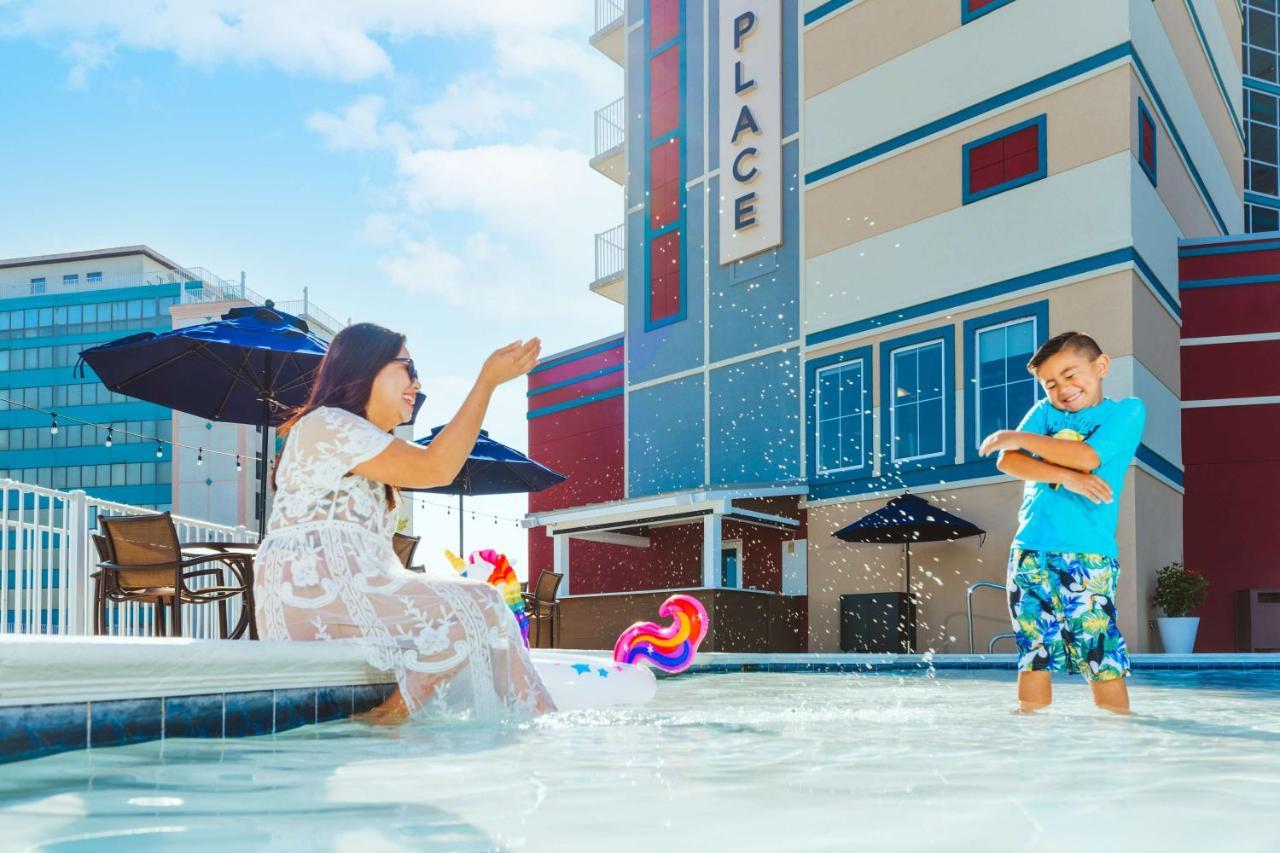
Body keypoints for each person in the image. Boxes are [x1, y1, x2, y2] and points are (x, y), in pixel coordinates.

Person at [253, 322, 555, 722]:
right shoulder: (325, 424)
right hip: (314, 595)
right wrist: (487, 382)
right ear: (364, 368)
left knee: (489, 627)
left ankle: (531, 726)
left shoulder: (365, 453)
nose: (417, 383)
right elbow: (438, 465)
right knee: (482, 604)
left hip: (339, 593)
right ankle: (396, 716)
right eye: (407, 369)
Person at [979, 331, 1146, 714]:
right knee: (1033, 650)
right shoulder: (1044, 412)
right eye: (1051, 384)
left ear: (1100, 366)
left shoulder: (1125, 412)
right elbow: (1008, 461)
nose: (1062, 389)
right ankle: (1031, 732)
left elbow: (1087, 456)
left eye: (1071, 375)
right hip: (1029, 551)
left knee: (1098, 652)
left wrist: (1017, 437)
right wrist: (1067, 478)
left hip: (1087, 554)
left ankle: (1117, 732)